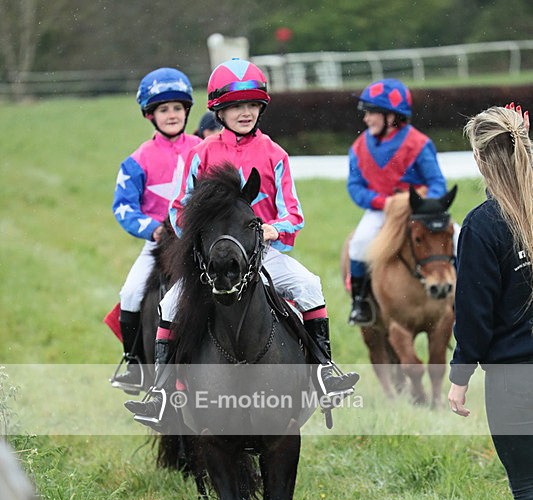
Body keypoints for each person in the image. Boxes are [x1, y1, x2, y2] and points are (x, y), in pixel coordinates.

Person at [126, 57, 358, 427]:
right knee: (169, 304)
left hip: (260, 253)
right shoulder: (200, 153)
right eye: (236, 106)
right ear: (219, 111)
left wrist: (273, 230)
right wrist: (201, 240)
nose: (245, 112)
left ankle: (324, 372)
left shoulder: (275, 154)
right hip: (210, 258)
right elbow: (177, 208)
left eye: (252, 105)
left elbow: (293, 214)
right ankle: (161, 395)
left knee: (309, 285)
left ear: (261, 107)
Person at [448, 105, 533, 500]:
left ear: (481, 159)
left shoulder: (482, 225)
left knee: (528, 485)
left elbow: (474, 314)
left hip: (515, 380)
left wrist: (459, 377)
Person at [109, 67, 201, 393]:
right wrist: (152, 229)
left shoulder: (203, 148)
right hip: (160, 243)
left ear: (187, 111)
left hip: (198, 242)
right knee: (130, 292)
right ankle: (135, 365)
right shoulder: (137, 161)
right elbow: (123, 207)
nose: (172, 115)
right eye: (164, 109)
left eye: (177, 108)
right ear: (151, 115)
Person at [346, 78, 448, 325]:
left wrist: (421, 202)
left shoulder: (419, 144)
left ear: (391, 116)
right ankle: (360, 302)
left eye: (371, 113)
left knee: (456, 238)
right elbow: (355, 187)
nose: (366, 119)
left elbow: (437, 183)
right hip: (381, 211)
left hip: (419, 212)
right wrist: (382, 203)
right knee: (358, 244)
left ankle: (459, 297)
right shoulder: (358, 148)